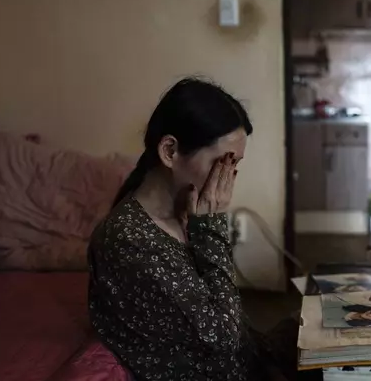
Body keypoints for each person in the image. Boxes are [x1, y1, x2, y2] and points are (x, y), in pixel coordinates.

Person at [88, 78, 291, 381]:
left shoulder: (185, 212)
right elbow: (224, 337)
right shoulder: (129, 239)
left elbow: (224, 310)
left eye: (235, 164)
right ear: (169, 151)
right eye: (221, 162)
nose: (228, 177)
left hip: (252, 360)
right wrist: (212, 227)